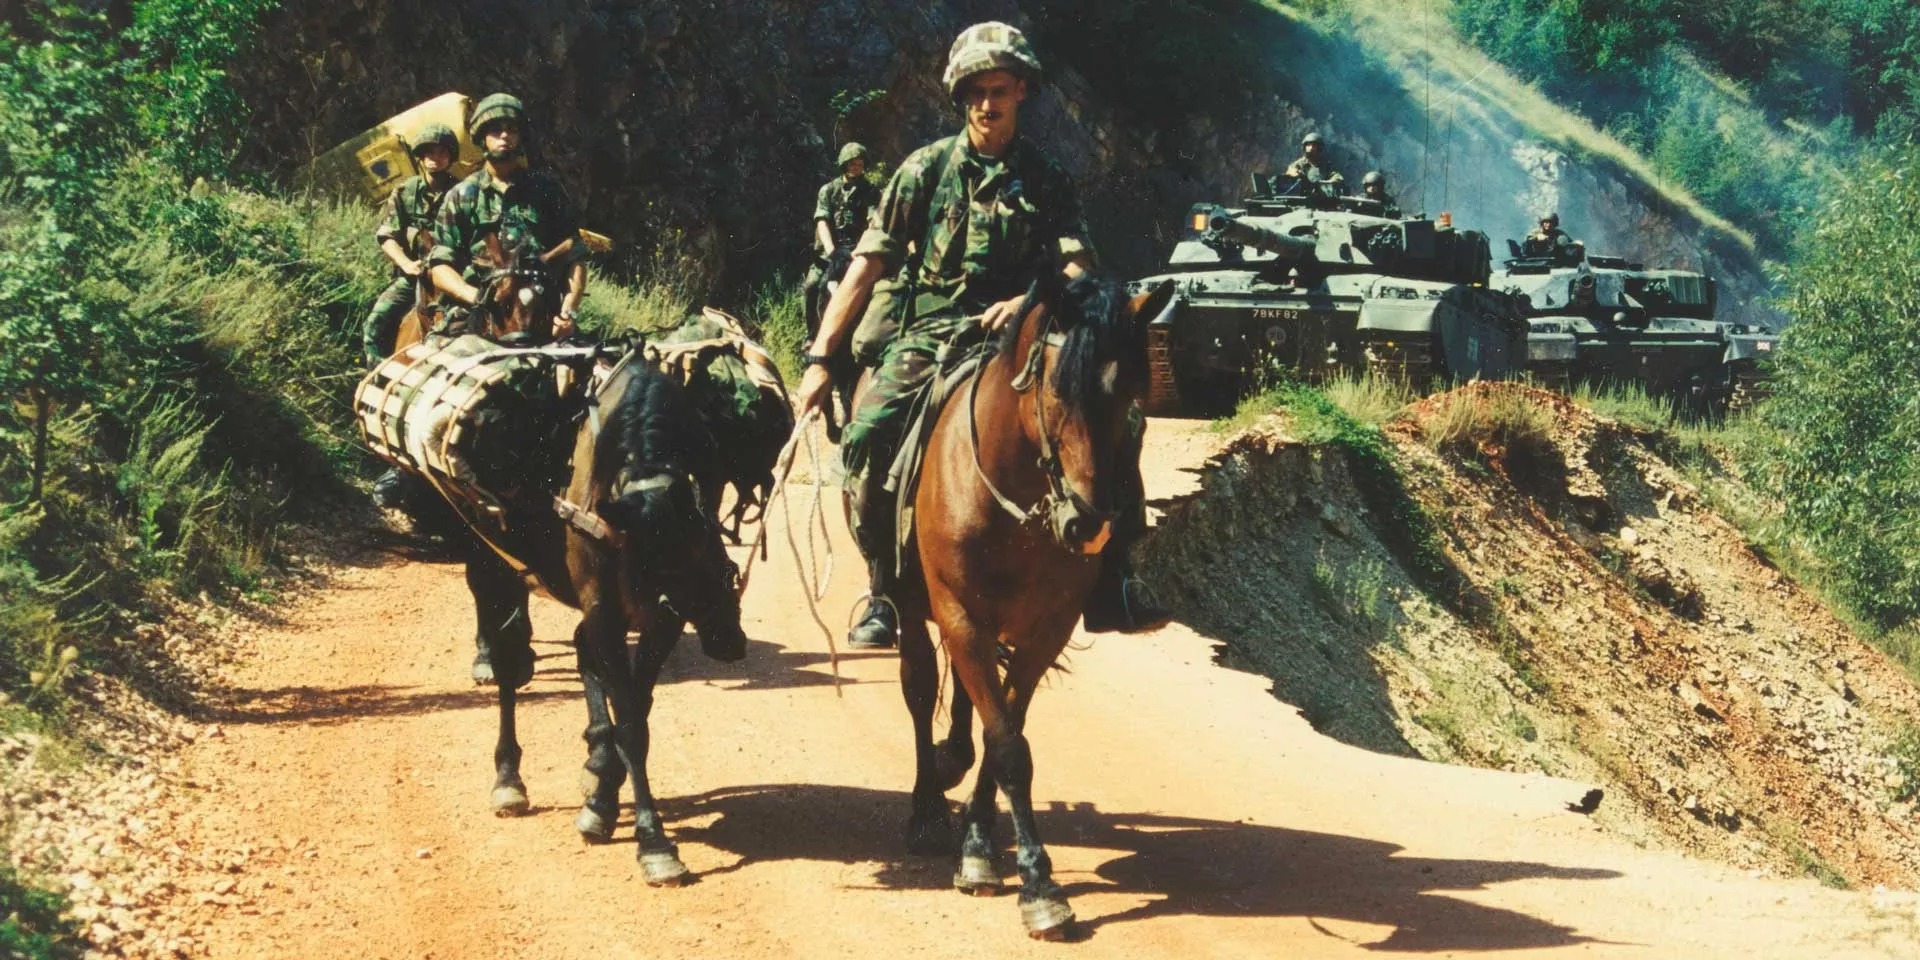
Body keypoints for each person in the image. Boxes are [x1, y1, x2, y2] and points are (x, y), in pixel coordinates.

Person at [793, 21, 1170, 650]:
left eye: (997, 90)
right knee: (869, 430)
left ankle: (1113, 580)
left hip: (1025, 333)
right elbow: (866, 266)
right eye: (974, 93)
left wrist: (1027, 303)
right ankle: (884, 587)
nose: (986, 104)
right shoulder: (924, 169)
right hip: (933, 331)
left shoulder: (1047, 177)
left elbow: (1077, 267)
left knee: (1121, 422)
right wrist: (819, 359)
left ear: (1022, 90)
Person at [428, 93, 587, 341]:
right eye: (495, 130)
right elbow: (440, 266)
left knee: (604, 362)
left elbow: (574, 256)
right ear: (482, 137)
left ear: (521, 137)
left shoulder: (546, 190)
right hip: (477, 314)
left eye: (512, 130)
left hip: (540, 312)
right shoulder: (462, 195)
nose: (504, 136)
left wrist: (568, 313)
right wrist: (476, 297)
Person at [362, 123, 459, 366]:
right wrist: (406, 264)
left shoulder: (462, 192)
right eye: (430, 152)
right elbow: (387, 236)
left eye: (442, 152)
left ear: (450, 157)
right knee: (375, 324)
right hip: (414, 277)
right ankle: (380, 376)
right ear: (421, 156)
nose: (435, 158)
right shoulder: (405, 192)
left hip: (453, 277)